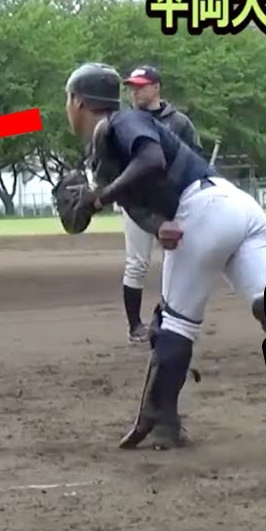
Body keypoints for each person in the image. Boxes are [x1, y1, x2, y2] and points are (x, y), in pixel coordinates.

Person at [56, 62, 266, 451]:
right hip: (237, 208)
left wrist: (99, 198)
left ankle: (163, 423)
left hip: (203, 211)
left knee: (173, 326)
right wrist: (156, 223)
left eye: (68, 100)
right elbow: (136, 200)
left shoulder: (123, 122)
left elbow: (151, 161)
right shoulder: (106, 147)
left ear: (78, 101)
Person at [119, 65, 203, 345]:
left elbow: (196, 157)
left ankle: (168, 321)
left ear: (156, 87)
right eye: (132, 87)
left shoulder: (179, 122)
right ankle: (135, 326)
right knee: (137, 263)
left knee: (175, 263)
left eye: (140, 86)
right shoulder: (126, 122)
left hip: (172, 204)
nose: (135, 92)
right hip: (138, 203)